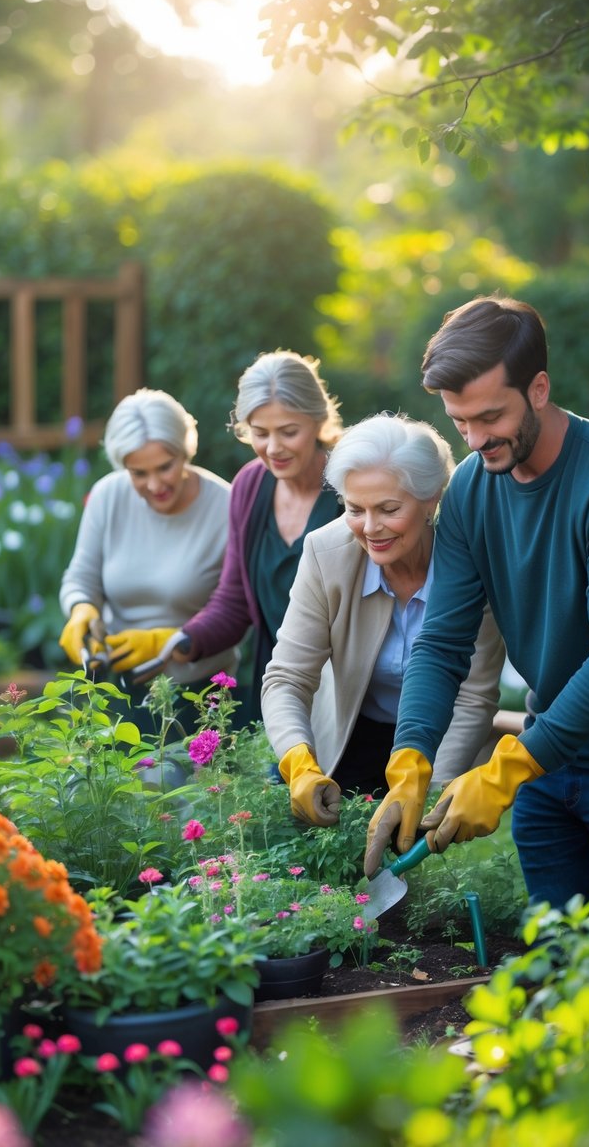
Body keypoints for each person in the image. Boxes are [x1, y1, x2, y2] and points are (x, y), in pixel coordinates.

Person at [364, 295, 589, 909]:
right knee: (559, 964)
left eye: (489, 416)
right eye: (459, 420)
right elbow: (442, 641)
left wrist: (505, 771)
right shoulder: (471, 489)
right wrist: (410, 756)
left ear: (539, 389)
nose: (472, 438)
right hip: (547, 754)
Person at [262, 413, 505, 830]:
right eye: (355, 509)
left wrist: (433, 790)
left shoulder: (473, 564)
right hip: (347, 736)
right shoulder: (325, 553)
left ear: (432, 498)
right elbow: (287, 678)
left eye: (389, 509)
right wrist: (299, 762)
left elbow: (472, 698)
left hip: (435, 744)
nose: (371, 528)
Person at [167, 350, 345, 722]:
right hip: (280, 694)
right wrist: (182, 641)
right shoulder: (250, 485)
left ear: (318, 420)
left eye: (288, 432)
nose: (273, 448)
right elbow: (235, 600)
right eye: (259, 433)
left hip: (347, 697)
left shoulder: (350, 484)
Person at [58, 388, 238, 734]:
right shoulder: (108, 496)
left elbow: (237, 609)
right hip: (121, 689)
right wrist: (81, 609)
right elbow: (81, 578)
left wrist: (171, 641)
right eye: (138, 473)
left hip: (202, 697)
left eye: (165, 467)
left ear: (185, 451)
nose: (155, 485)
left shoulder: (227, 507)